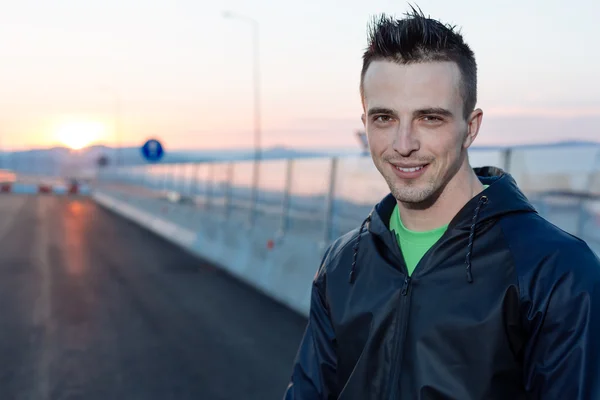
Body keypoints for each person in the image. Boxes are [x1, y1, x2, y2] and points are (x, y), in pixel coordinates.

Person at [283, 6, 600, 399]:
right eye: (384, 118)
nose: (403, 144)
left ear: (471, 127)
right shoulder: (341, 262)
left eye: (429, 118)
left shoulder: (557, 272)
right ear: (365, 122)